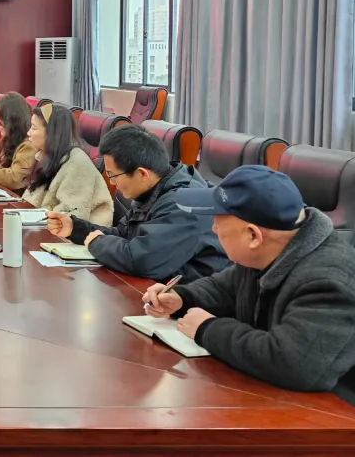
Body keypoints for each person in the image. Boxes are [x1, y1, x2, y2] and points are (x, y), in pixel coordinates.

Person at [143, 166, 355, 403]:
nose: (213, 228)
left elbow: (293, 363)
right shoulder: (268, 252)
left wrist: (207, 329)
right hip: (272, 398)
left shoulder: (330, 280)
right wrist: (182, 298)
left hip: (331, 415)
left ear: (253, 236)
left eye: (217, 221)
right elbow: (223, 289)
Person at [45, 124, 229, 282]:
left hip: (191, 303)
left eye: (113, 175)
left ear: (142, 174)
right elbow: (124, 235)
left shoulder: (184, 204)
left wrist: (97, 243)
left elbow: (142, 259)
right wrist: (76, 229)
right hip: (157, 292)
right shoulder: (153, 189)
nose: (112, 183)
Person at [21, 103, 113, 225]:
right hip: (49, 227)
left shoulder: (77, 163)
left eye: (33, 128)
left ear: (51, 132)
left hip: (84, 234)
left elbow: (73, 215)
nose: (28, 133)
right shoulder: (49, 157)